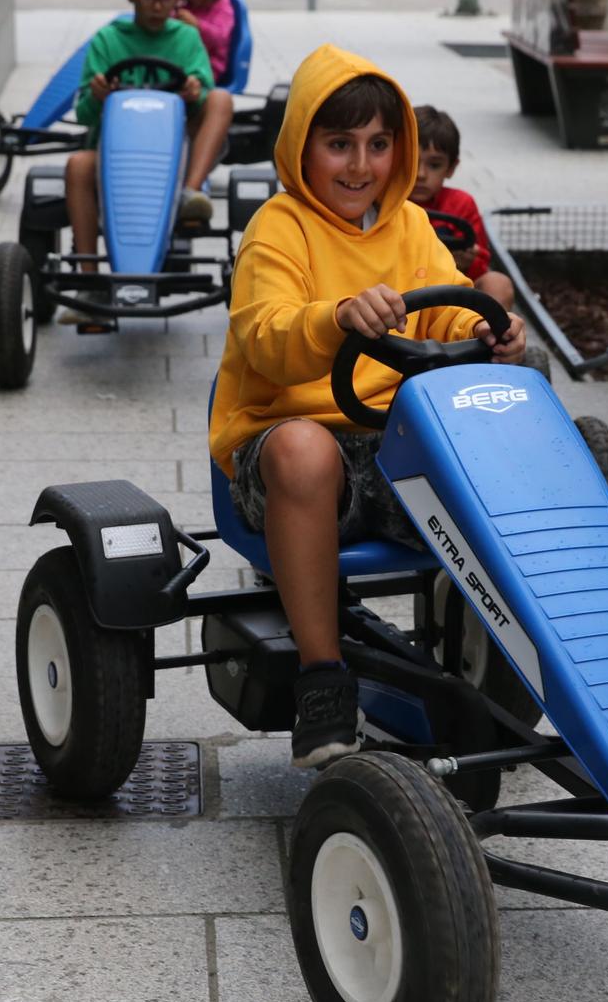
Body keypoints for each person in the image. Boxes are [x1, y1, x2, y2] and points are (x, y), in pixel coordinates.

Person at [209, 46, 527, 767]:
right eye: (339, 145)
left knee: (498, 429)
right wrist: (337, 317)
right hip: (285, 453)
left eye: (378, 145)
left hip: (391, 446)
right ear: (302, 149)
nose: (360, 165)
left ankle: (546, 647)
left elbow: (448, 308)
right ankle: (323, 678)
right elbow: (265, 339)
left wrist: (489, 330)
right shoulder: (279, 228)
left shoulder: (411, 227)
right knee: (303, 448)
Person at [63, 0, 232, 302]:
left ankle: (191, 191)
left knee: (220, 99)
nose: (157, 6)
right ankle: (90, 284)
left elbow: (204, 92)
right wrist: (97, 96)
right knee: (78, 165)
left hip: (172, 156)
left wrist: (194, 91)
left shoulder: (186, 39)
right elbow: (83, 114)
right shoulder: (109, 40)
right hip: (116, 158)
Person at [409, 106, 513, 314]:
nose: (421, 174)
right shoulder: (387, 202)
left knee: (498, 282)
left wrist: (467, 261)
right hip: (399, 292)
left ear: (451, 168)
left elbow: (481, 264)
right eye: (413, 162)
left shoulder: (460, 204)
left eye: (434, 165)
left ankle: (489, 342)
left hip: (452, 294)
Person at [171, 0, 235, 83]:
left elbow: (220, 37)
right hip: (183, 63)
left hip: (209, 68)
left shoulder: (222, 7)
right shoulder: (185, 6)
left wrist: (197, 25)